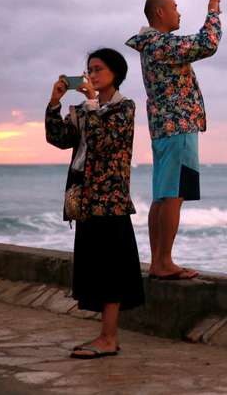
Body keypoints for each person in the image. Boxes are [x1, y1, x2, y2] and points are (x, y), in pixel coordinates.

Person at [46, 48, 144, 359]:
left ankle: (109, 338)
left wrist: (91, 103)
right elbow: (59, 138)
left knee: (111, 272)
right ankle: (106, 337)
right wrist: (54, 103)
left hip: (110, 200)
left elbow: (104, 141)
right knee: (96, 271)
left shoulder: (124, 108)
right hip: (86, 199)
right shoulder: (82, 109)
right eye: (90, 69)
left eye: (99, 68)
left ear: (116, 73)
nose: (92, 74)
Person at [125, 0, 222, 280]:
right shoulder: (161, 44)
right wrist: (213, 13)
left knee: (163, 196)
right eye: (175, 7)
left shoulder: (151, 45)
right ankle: (163, 262)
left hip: (164, 129)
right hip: (178, 126)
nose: (179, 13)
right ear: (159, 12)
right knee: (173, 196)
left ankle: (158, 261)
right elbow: (207, 44)